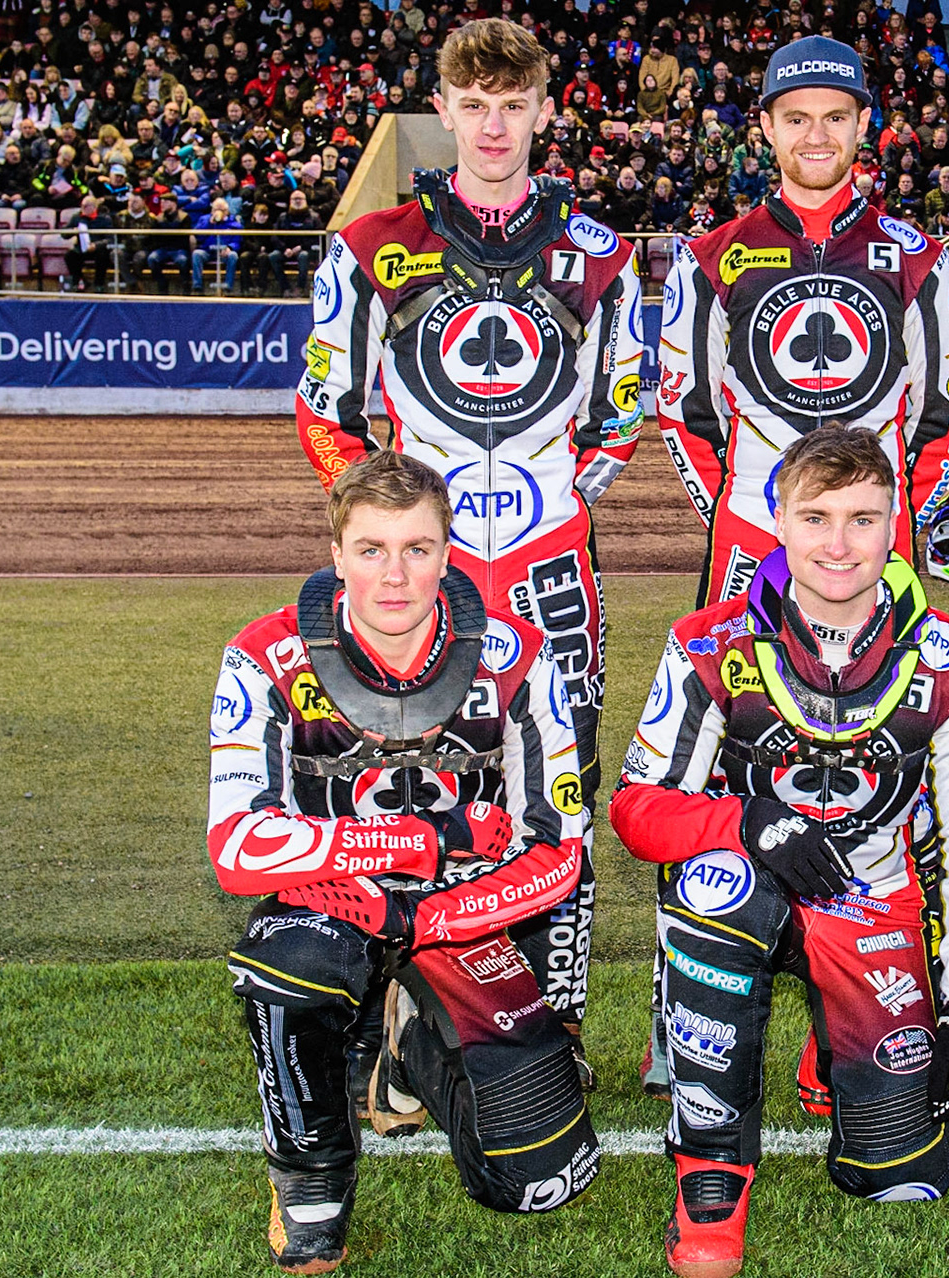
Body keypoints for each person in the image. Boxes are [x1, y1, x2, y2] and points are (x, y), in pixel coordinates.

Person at [294, 18, 647, 1045]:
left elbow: (623, 409)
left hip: (551, 576)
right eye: (474, 105)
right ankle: (398, 1022)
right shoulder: (371, 247)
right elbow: (324, 408)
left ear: (546, 112)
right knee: (399, 791)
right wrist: (388, 516)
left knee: (557, 802)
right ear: (441, 112)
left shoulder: (601, 258)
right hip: (416, 584)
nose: (494, 126)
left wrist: (562, 501)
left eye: (514, 104)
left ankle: (552, 1031)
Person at [610, 425, 949, 1278]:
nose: (838, 543)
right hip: (744, 881)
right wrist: (747, 823)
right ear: (777, 520)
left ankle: (842, 1051)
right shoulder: (707, 644)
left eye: (862, 518)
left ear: (896, 520)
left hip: (870, 902)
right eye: (816, 516)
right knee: (719, 896)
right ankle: (710, 1174)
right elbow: (639, 811)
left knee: (900, 1179)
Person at [209, 451, 598, 1273]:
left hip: (464, 910)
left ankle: (412, 1044)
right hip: (330, 898)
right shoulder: (265, 653)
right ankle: (310, 1189)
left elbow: (561, 850)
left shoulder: (519, 656)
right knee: (290, 968)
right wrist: (415, 841)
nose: (395, 574)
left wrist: (424, 914)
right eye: (372, 549)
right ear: (337, 554)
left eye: (417, 548)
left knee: (541, 1175)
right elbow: (236, 845)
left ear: (449, 553)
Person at [656, 35, 949, 609]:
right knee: (743, 696)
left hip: (878, 539)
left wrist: (885, 511)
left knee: (888, 697)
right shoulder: (707, 259)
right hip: (752, 530)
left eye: (835, 117)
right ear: (768, 127)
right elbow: (687, 413)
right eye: (797, 118)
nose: (817, 136)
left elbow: (947, 411)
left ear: (863, 124)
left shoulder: (920, 259)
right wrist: (765, 509)